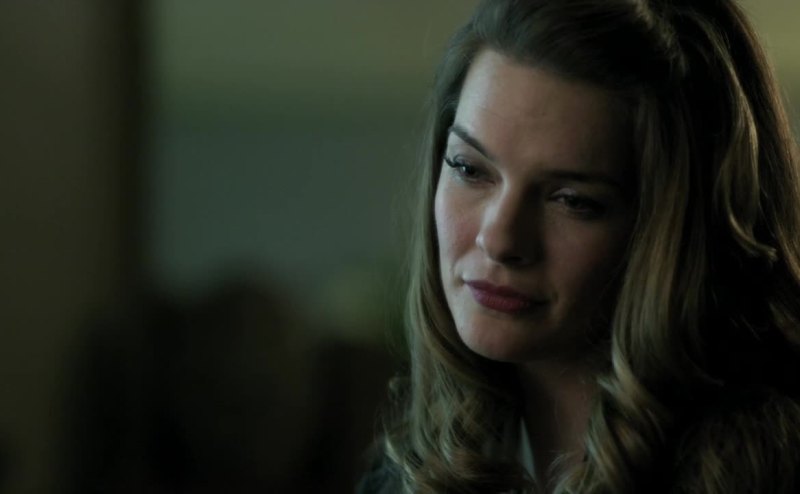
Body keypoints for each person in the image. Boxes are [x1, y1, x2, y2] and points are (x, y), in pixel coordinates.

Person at [357, 0, 800, 492]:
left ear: (675, 231)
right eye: (469, 168)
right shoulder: (405, 474)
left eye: (572, 201)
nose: (499, 240)